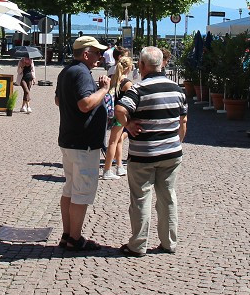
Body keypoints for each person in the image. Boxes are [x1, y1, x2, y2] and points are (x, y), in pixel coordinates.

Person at [115, 46, 187, 257]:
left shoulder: (138, 89)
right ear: (162, 64)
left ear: (142, 65)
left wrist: (127, 126)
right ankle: (169, 243)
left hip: (144, 154)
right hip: (171, 153)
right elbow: (183, 121)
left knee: (140, 198)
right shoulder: (177, 89)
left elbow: (120, 109)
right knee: (168, 198)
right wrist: (176, 142)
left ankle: (138, 245)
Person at [54, 35, 110, 252]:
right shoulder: (82, 73)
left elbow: (58, 100)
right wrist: (104, 90)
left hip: (68, 139)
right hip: (83, 142)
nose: (100, 56)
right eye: (96, 52)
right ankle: (75, 239)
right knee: (81, 192)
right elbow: (85, 104)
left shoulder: (66, 71)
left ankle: (67, 234)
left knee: (69, 189)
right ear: (86, 54)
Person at [102, 56, 135, 180]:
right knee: (113, 142)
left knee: (119, 140)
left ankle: (119, 166)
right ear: (129, 67)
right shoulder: (127, 83)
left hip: (111, 112)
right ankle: (107, 170)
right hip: (121, 114)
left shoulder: (113, 78)